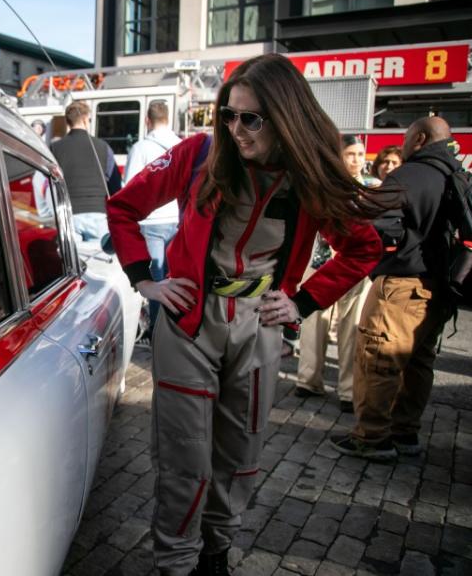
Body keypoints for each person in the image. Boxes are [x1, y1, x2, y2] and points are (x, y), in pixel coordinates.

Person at [106, 53, 385, 575]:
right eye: (228, 115)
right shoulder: (198, 154)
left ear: (284, 117)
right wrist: (145, 279)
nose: (235, 128)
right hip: (189, 323)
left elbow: (363, 248)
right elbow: (123, 207)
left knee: (238, 458)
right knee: (185, 459)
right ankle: (177, 565)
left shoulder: (308, 178)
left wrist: (302, 301)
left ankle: (216, 554)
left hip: (259, 327)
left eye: (250, 118)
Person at [332, 117, 459, 460]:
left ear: (418, 139)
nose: (401, 147)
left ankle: (371, 437)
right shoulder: (457, 174)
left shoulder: (409, 176)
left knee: (379, 358)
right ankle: (406, 431)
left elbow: (373, 225)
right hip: (442, 287)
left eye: (404, 139)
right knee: (419, 362)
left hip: (402, 285)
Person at [295, 135, 379, 413]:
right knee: (311, 323)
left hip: (354, 266)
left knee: (352, 327)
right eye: (351, 154)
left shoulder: (373, 188)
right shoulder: (322, 186)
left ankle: (347, 389)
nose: (357, 160)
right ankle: (308, 379)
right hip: (318, 262)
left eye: (360, 154)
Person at [124, 100, 182, 336]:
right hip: (177, 220)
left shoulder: (140, 148)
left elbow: (130, 186)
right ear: (168, 120)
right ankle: (178, 328)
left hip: (151, 222)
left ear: (147, 120)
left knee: (156, 283)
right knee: (176, 277)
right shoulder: (182, 145)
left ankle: (158, 333)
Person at [51, 100, 121, 242]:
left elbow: (48, 183)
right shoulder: (102, 147)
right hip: (98, 214)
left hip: (68, 213)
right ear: (84, 119)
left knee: (73, 262)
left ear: (68, 122)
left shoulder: (54, 148)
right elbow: (115, 184)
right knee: (100, 262)